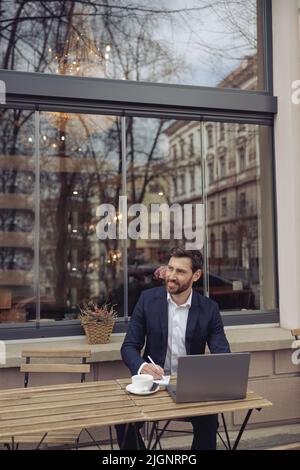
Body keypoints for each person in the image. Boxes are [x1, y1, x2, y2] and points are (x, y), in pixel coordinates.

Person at [116, 247, 230, 450]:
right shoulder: (147, 300)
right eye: (170, 269)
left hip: (193, 388)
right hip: (154, 385)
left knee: (209, 421)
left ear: (196, 276)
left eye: (180, 271)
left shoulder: (209, 309)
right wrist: (142, 367)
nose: (172, 276)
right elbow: (129, 347)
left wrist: (219, 374)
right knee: (124, 421)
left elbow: (222, 353)